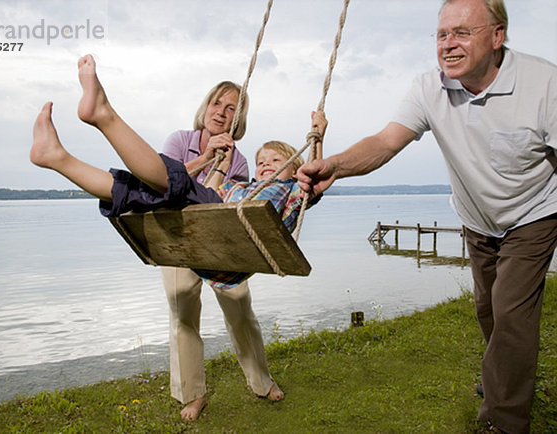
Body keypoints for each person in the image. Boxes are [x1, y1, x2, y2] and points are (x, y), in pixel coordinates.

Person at [296, 0, 557, 432]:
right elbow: (385, 142)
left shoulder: (544, 84)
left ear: (497, 36)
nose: (448, 45)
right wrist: (335, 166)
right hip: (478, 219)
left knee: (512, 315)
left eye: (462, 33)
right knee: (488, 310)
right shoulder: (428, 88)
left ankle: (503, 420)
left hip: (533, 214)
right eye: (441, 35)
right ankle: (501, 377)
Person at [30, 54, 327, 421]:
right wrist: (205, 158)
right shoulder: (181, 140)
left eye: (231, 108)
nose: (221, 112)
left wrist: (226, 163)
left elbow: (242, 197)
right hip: (177, 234)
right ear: (205, 107)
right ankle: (192, 393)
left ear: (239, 120)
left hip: (223, 242)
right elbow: (164, 184)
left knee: (240, 312)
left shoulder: (244, 163)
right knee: (182, 310)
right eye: (216, 103)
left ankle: (261, 382)